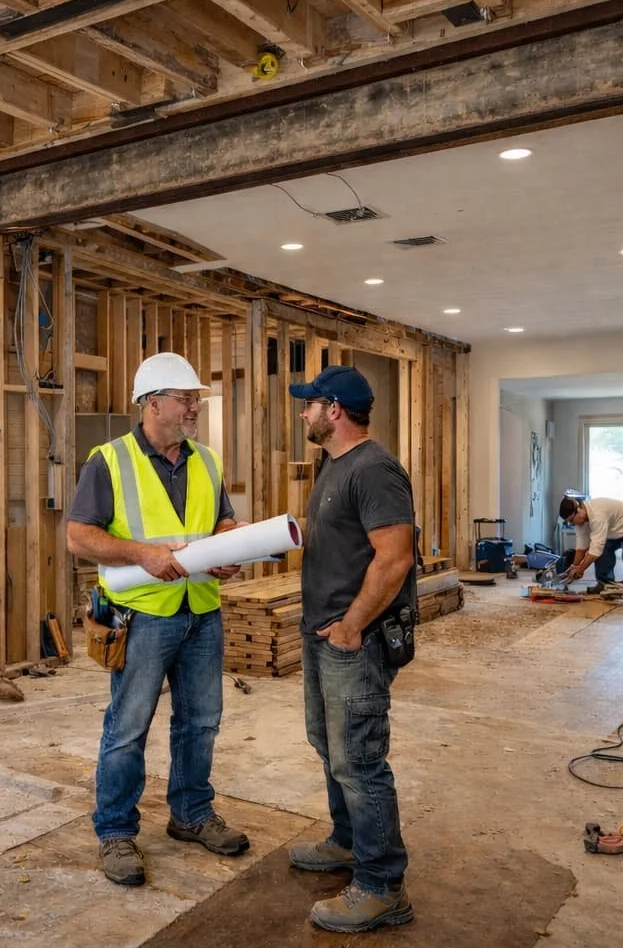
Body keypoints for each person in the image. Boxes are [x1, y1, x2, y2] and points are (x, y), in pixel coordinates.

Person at [66, 351, 248, 887]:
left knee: (202, 722)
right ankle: (116, 831)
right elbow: (79, 536)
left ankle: (191, 816)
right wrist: (141, 553)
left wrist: (230, 542)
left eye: (195, 399)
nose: (195, 407)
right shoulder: (109, 459)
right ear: (152, 404)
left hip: (202, 609)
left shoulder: (206, 459)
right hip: (143, 613)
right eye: (186, 398)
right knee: (127, 728)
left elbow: (222, 516)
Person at [287, 364, 417, 934]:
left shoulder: (375, 469)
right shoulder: (335, 465)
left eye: (310, 404)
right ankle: (346, 842)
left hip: (352, 641)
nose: (303, 412)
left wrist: (350, 626)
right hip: (323, 634)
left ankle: (382, 884)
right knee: (329, 745)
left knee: (360, 759)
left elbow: (395, 558)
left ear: (333, 409)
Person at [559, 496, 623, 600]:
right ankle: (605, 584)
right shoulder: (582, 520)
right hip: (618, 531)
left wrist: (581, 570)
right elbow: (581, 547)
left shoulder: (597, 514)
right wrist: (574, 567)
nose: (572, 523)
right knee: (603, 551)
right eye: (569, 522)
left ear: (579, 510)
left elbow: (595, 551)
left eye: (572, 520)